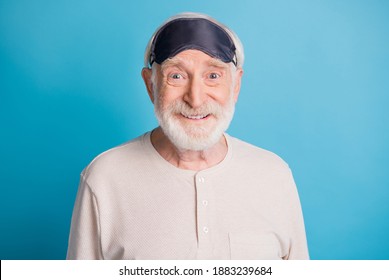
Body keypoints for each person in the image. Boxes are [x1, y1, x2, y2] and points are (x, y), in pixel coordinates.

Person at [66, 12, 309, 260]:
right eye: (176, 76)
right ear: (151, 85)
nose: (195, 99)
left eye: (213, 76)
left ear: (236, 85)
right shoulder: (105, 178)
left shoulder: (274, 176)